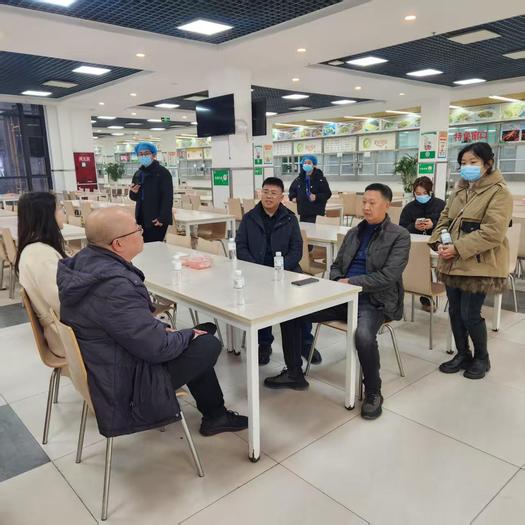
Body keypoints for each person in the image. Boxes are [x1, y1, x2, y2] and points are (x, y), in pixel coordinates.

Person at [57, 207, 247, 438]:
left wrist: (170, 332)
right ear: (118, 244)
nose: (142, 231)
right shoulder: (115, 286)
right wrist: (184, 335)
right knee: (207, 344)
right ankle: (215, 415)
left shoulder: (82, 264)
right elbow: (157, 348)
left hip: (106, 361)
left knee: (197, 337)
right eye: (136, 229)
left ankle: (216, 415)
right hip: (124, 380)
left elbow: (127, 326)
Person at [264, 183, 411, 421]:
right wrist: (336, 282)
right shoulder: (354, 233)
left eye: (372, 203)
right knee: (291, 313)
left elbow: (388, 276)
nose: (366, 207)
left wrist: (350, 282)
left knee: (363, 336)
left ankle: (373, 391)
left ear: (386, 205)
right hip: (341, 295)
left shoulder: (399, 236)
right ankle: (293, 372)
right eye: (364, 202)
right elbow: (336, 265)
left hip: (375, 299)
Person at [429, 142, 512, 380]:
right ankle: (462, 354)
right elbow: (445, 218)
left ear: (488, 163)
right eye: (463, 163)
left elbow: (493, 232)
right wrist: (440, 241)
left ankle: (482, 358)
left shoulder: (499, 192)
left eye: (473, 162)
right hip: (452, 262)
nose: (468, 167)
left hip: (480, 263)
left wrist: (457, 248)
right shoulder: (460, 190)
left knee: (470, 314)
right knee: (455, 312)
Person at [235, 177, 318, 365]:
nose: (269, 196)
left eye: (273, 193)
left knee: (302, 303)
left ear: (281, 197)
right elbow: (241, 246)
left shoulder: (290, 218)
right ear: (260, 194)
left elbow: (297, 249)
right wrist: (257, 268)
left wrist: (281, 267)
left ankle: (306, 343)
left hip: (287, 271)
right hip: (257, 272)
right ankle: (264, 344)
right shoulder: (249, 217)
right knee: (260, 306)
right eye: (265, 192)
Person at [15, 192, 67, 357]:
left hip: (62, 330)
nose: (63, 212)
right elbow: (62, 302)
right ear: (46, 215)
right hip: (67, 339)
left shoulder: (37, 249)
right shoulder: (40, 254)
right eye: (59, 208)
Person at [399, 176, 445, 312]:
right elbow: (401, 229)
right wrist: (414, 226)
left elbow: (449, 226)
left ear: (430, 192)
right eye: (418, 194)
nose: (421, 196)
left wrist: (433, 225)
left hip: (438, 245)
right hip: (417, 248)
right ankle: (425, 297)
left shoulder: (440, 205)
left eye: (424, 193)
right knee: (421, 264)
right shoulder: (409, 208)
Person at [129, 141, 173, 243]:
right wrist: (133, 192)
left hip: (156, 218)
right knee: (143, 246)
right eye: (140, 154)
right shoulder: (138, 173)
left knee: (155, 246)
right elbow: (134, 198)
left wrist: (162, 218)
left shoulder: (163, 173)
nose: (143, 156)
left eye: (146, 153)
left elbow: (167, 197)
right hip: (141, 217)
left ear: (153, 155)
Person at [288, 155, 332, 223]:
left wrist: (316, 197)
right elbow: (292, 190)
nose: (306, 164)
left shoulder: (320, 179)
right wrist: (293, 197)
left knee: (313, 229)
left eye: (309, 163)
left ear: (314, 165)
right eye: (305, 163)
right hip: (302, 212)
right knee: (303, 229)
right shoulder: (299, 179)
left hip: (316, 213)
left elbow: (327, 194)